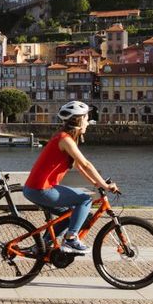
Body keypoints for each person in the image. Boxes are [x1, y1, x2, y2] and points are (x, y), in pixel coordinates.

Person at [22, 100, 119, 254]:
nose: (88, 122)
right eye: (87, 118)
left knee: (71, 214)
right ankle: (71, 239)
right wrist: (105, 186)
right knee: (85, 199)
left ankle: (44, 245)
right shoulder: (65, 139)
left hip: (37, 188)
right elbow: (86, 164)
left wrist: (96, 183)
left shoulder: (66, 138)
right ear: (79, 120)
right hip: (41, 189)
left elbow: (79, 167)